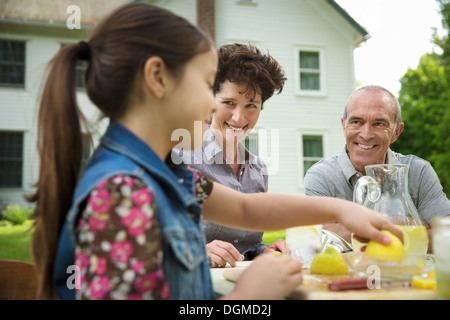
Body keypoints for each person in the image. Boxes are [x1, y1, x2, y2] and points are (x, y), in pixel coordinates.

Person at [29, 3, 402, 300]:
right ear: (158, 78)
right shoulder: (121, 192)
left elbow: (245, 208)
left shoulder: (163, 172)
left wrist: (341, 209)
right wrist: (248, 296)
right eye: (208, 84)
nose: (214, 105)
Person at [304, 85, 450, 247]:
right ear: (344, 126)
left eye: (379, 124)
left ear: (396, 132)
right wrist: (404, 223)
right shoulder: (321, 176)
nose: (366, 134)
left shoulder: (418, 172)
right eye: (356, 122)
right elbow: (318, 236)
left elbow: (446, 235)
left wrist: (346, 229)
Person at [181, 43, 286, 268]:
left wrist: (264, 252)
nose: (239, 118)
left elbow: (248, 245)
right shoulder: (181, 158)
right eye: (229, 103)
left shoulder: (258, 169)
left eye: (251, 105)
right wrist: (199, 250)